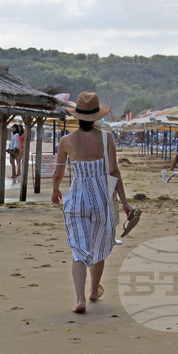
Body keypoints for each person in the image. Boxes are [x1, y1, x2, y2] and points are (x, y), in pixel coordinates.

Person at [51, 92, 135, 314]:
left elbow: (58, 172)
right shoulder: (106, 138)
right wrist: (125, 202)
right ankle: (94, 290)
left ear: (77, 116)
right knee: (97, 247)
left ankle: (80, 299)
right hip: (100, 201)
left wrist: (55, 190)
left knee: (79, 250)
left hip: (77, 200)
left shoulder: (66, 141)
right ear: (96, 116)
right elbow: (114, 171)